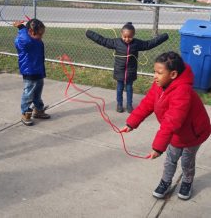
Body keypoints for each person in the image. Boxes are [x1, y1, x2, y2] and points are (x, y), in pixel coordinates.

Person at [122, 51, 210, 200]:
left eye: (159, 72)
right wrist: (132, 122)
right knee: (171, 159)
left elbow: (172, 120)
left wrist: (158, 147)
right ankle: (165, 182)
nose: (154, 76)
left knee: (187, 161)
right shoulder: (159, 84)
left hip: (193, 133)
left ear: (173, 74)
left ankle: (187, 182)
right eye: (154, 72)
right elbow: (147, 103)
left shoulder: (183, 92)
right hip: (177, 133)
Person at [86, 23, 168, 113]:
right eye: (124, 36)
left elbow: (149, 44)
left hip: (130, 71)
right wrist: (89, 33)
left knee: (129, 88)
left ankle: (129, 105)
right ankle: (119, 104)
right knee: (119, 88)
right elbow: (103, 41)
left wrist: (164, 36)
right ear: (121, 34)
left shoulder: (137, 43)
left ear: (133, 35)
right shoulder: (116, 42)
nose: (127, 39)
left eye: (130, 37)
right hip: (119, 71)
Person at [14, 19, 50, 126]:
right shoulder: (25, 41)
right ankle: (25, 113)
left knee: (37, 94)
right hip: (29, 72)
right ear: (30, 31)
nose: (41, 36)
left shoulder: (36, 40)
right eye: (39, 34)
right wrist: (21, 28)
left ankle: (38, 110)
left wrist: (27, 30)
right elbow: (23, 38)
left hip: (38, 71)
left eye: (42, 34)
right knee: (28, 94)